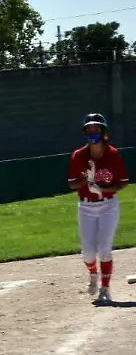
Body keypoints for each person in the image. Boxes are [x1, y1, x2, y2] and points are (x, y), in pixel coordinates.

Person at [67, 113, 128, 304]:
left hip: (108, 204)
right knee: (88, 253)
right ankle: (93, 274)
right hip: (86, 206)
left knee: (104, 249)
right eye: (90, 129)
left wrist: (102, 188)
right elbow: (72, 184)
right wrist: (87, 178)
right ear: (85, 132)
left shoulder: (113, 154)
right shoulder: (79, 155)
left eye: (97, 128)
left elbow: (123, 183)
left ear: (103, 131)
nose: (93, 131)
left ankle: (105, 289)